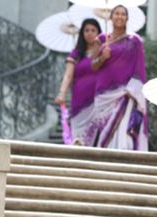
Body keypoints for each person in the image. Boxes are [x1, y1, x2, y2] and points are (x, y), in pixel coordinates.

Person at [86, 5, 148, 150]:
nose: (119, 16)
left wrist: (133, 89)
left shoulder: (134, 40)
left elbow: (139, 68)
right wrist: (102, 57)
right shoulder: (101, 39)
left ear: (127, 19)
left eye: (123, 14)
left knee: (124, 137)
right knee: (103, 131)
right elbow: (93, 66)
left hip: (125, 93)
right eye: (116, 13)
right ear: (111, 17)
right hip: (104, 94)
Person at [55, 18, 102, 145]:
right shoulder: (75, 54)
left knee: (97, 135)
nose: (90, 33)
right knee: (79, 137)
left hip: (98, 100)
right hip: (79, 100)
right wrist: (61, 93)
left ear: (99, 33)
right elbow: (68, 75)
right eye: (86, 30)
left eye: (93, 30)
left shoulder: (103, 54)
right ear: (82, 33)